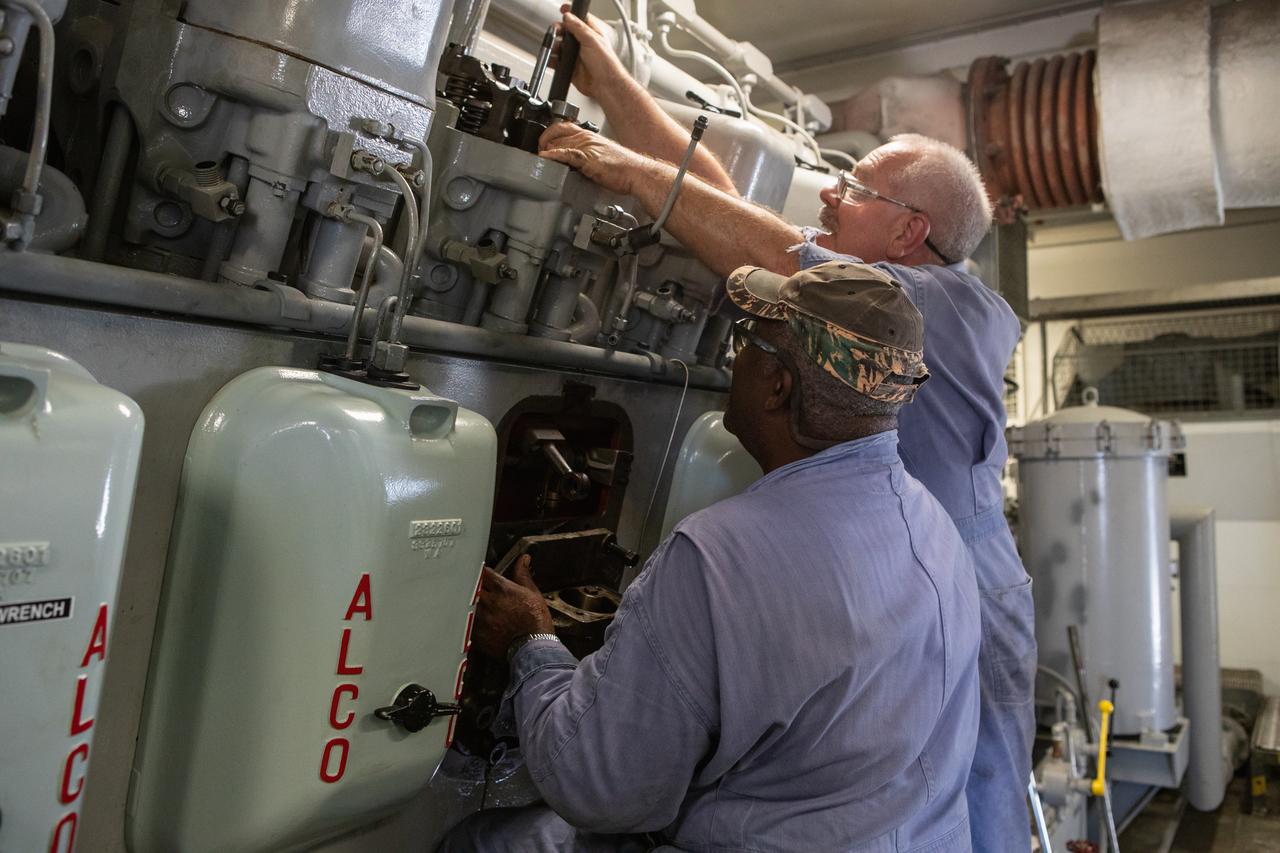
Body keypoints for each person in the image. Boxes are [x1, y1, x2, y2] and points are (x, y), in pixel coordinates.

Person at [534, 10, 1036, 851]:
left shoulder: (944, 305)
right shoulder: (880, 287)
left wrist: (623, 170)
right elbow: (734, 214)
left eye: (857, 188)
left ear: (912, 231)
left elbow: (753, 242)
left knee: (967, 807)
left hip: (959, 598)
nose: (831, 192)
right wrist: (615, 90)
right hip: (896, 570)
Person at [440, 262, 981, 851]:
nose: (733, 361)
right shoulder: (936, 527)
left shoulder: (717, 556)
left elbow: (600, 789)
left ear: (778, 386)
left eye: (745, 344)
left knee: (482, 842)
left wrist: (530, 643)